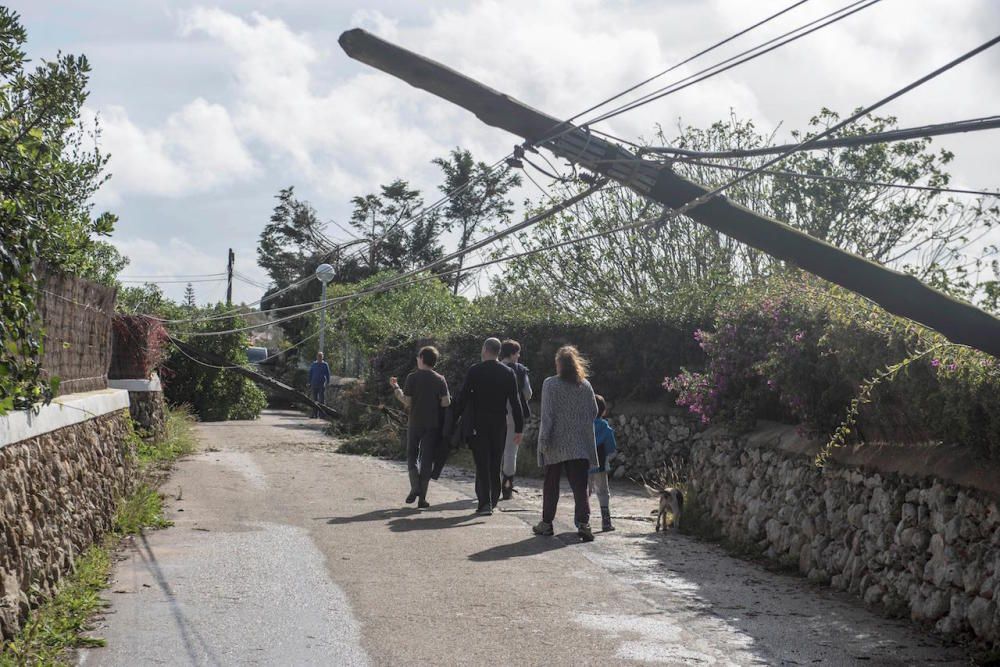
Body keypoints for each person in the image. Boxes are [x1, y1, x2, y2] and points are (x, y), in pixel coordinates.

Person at [533, 345, 599, 542]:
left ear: (559, 364)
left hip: (555, 442)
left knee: (551, 484)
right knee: (580, 486)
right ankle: (584, 524)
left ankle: (546, 524)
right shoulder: (585, 385)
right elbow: (594, 411)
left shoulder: (550, 384)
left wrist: (544, 440)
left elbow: (547, 416)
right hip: (579, 443)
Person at [456, 338, 524, 515]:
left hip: (479, 423)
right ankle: (493, 498)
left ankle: (485, 502)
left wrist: (454, 417)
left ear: (485, 350)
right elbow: (515, 402)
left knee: (482, 462)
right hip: (499, 423)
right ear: (498, 351)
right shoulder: (508, 373)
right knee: (495, 461)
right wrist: (519, 428)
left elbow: (463, 397)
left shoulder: (475, 370)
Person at [390, 346, 451, 509]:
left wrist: (396, 388)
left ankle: (415, 486)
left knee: (411, 454)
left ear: (422, 358)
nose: (417, 359)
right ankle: (422, 498)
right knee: (427, 460)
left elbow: (407, 401)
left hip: (415, 422)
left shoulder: (412, 378)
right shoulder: (440, 379)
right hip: (432, 424)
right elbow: (446, 402)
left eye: (418, 357)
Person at [500, 339, 532, 501]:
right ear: (512, 354)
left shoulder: (495, 368)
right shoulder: (520, 370)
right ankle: (507, 484)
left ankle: (492, 483)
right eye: (517, 353)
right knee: (511, 451)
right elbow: (528, 393)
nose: (518, 356)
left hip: (497, 413)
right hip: (515, 414)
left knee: (496, 449)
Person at [589, 394, 618, 532]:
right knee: (603, 492)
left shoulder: (584, 426)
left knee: (583, 492)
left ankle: (582, 521)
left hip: (583, 465)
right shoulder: (605, 428)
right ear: (604, 411)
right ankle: (606, 522)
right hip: (600, 465)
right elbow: (612, 448)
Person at [308, 352, 331, 418]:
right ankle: (314, 414)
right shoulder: (314, 364)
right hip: (314, 383)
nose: (319, 357)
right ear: (317, 357)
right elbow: (310, 373)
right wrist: (309, 382)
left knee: (321, 399)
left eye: (321, 356)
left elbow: (327, 374)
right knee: (314, 400)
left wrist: (328, 382)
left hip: (321, 384)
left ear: (322, 357)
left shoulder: (325, 364)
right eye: (318, 356)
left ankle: (322, 415)